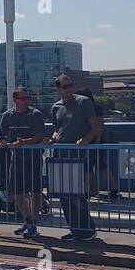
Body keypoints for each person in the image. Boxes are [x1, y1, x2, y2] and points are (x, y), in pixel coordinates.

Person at [49, 74, 101, 240]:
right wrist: (52, 138)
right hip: (61, 153)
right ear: (58, 89)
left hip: (78, 153)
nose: (69, 89)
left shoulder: (83, 102)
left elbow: (95, 126)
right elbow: (57, 128)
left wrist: (86, 139)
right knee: (64, 194)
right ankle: (75, 228)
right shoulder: (55, 107)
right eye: (65, 87)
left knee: (77, 193)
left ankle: (88, 229)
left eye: (71, 85)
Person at [0, 86, 45, 237]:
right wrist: (2, 141)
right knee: (16, 193)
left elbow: (39, 136)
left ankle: (33, 223)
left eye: (28, 98)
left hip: (34, 158)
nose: (26, 101)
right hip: (16, 159)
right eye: (23, 98)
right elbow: (0, 135)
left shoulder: (35, 114)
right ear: (15, 100)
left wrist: (24, 142)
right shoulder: (8, 115)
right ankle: (29, 220)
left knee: (36, 192)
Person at [75, 88, 118, 198]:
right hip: (92, 141)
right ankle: (107, 189)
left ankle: (89, 191)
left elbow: (99, 126)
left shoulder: (92, 107)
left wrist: (97, 141)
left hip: (94, 141)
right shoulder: (93, 106)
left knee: (91, 166)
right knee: (99, 166)